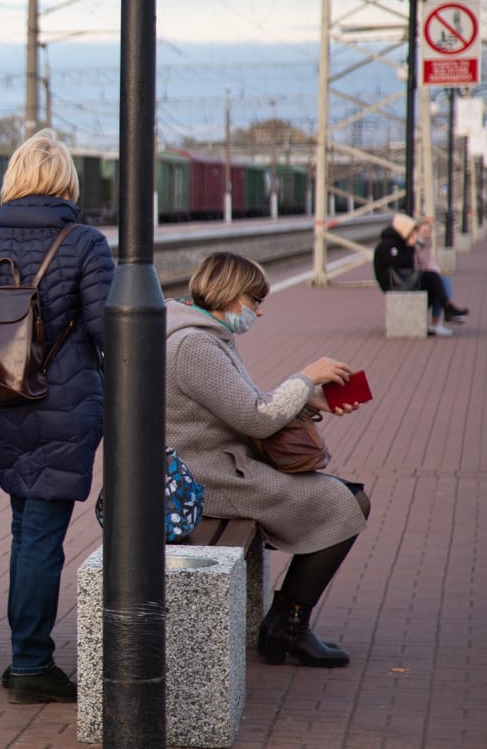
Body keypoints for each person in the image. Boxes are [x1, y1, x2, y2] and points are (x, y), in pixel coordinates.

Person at [0, 129, 114, 704]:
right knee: (41, 534)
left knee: (26, 529)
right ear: (65, 181)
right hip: (64, 408)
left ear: (15, 179)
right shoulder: (85, 242)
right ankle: (30, 663)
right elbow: (107, 331)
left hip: (0, 405)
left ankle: (27, 654)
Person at [165, 251, 370, 667]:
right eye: (253, 300)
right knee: (344, 502)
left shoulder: (202, 332)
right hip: (209, 478)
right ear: (227, 294)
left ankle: (287, 622)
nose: (258, 310)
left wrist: (311, 401)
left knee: (344, 498)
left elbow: (245, 406)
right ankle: (288, 627)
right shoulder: (195, 345)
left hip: (217, 465)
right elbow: (255, 418)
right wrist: (306, 376)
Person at [372, 212, 458, 336]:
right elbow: (404, 263)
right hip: (393, 282)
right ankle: (446, 309)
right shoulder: (389, 245)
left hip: (402, 279)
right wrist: (411, 247)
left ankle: (439, 313)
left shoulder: (399, 241)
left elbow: (422, 262)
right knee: (433, 279)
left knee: (437, 280)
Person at [413, 217, 467, 325]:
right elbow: (415, 265)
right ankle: (446, 311)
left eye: (429, 232)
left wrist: (435, 271)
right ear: (416, 232)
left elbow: (430, 262)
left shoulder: (426, 242)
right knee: (438, 282)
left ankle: (446, 311)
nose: (427, 234)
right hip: (417, 277)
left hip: (426, 275)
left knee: (442, 280)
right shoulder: (414, 245)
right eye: (424, 231)